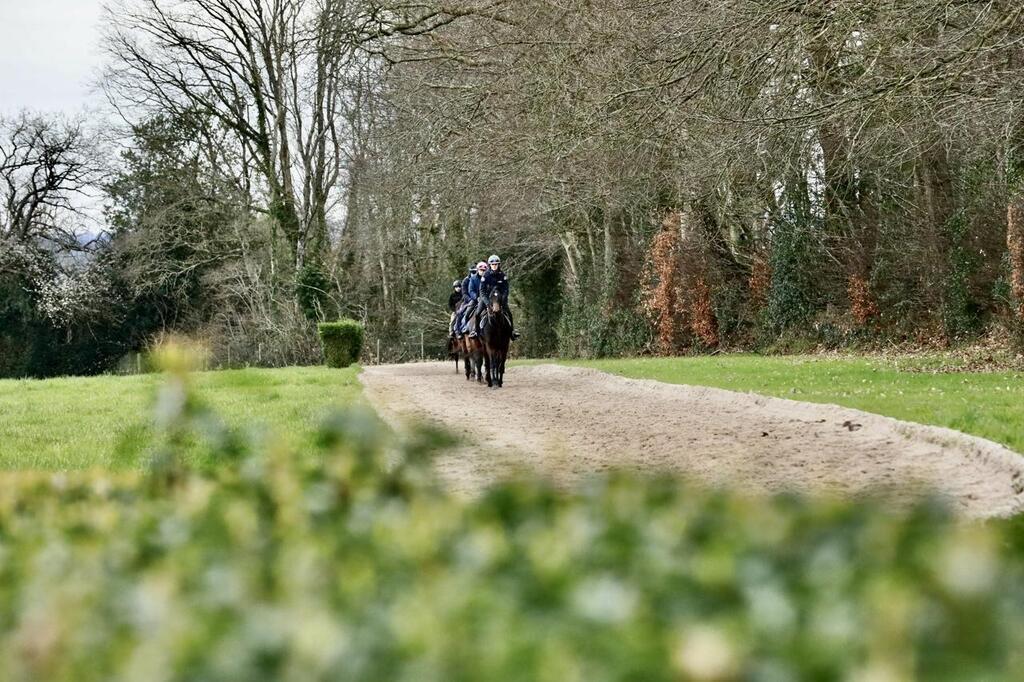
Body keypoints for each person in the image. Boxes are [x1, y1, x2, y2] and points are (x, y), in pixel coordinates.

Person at [469, 254, 518, 339]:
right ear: (490, 265)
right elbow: (482, 291)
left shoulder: (502, 276)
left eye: (496, 264)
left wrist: (503, 299)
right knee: (477, 314)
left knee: (509, 313)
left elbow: (505, 289)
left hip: (500, 299)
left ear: (498, 265)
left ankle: (512, 332)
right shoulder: (485, 276)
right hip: (487, 299)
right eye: (493, 264)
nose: (494, 266)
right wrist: (487, 303)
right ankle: (476, 332)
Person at [461, 261, 489, 337]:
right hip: (476, 299)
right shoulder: (473, 279)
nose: (482, 272)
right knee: (467, 312)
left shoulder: (489, 278)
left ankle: (510, 329)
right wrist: (476, 298)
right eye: (481, 270)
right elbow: (471, 290)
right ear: (478, 270)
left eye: (484, 270)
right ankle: (466, 327)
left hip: (487, 299)